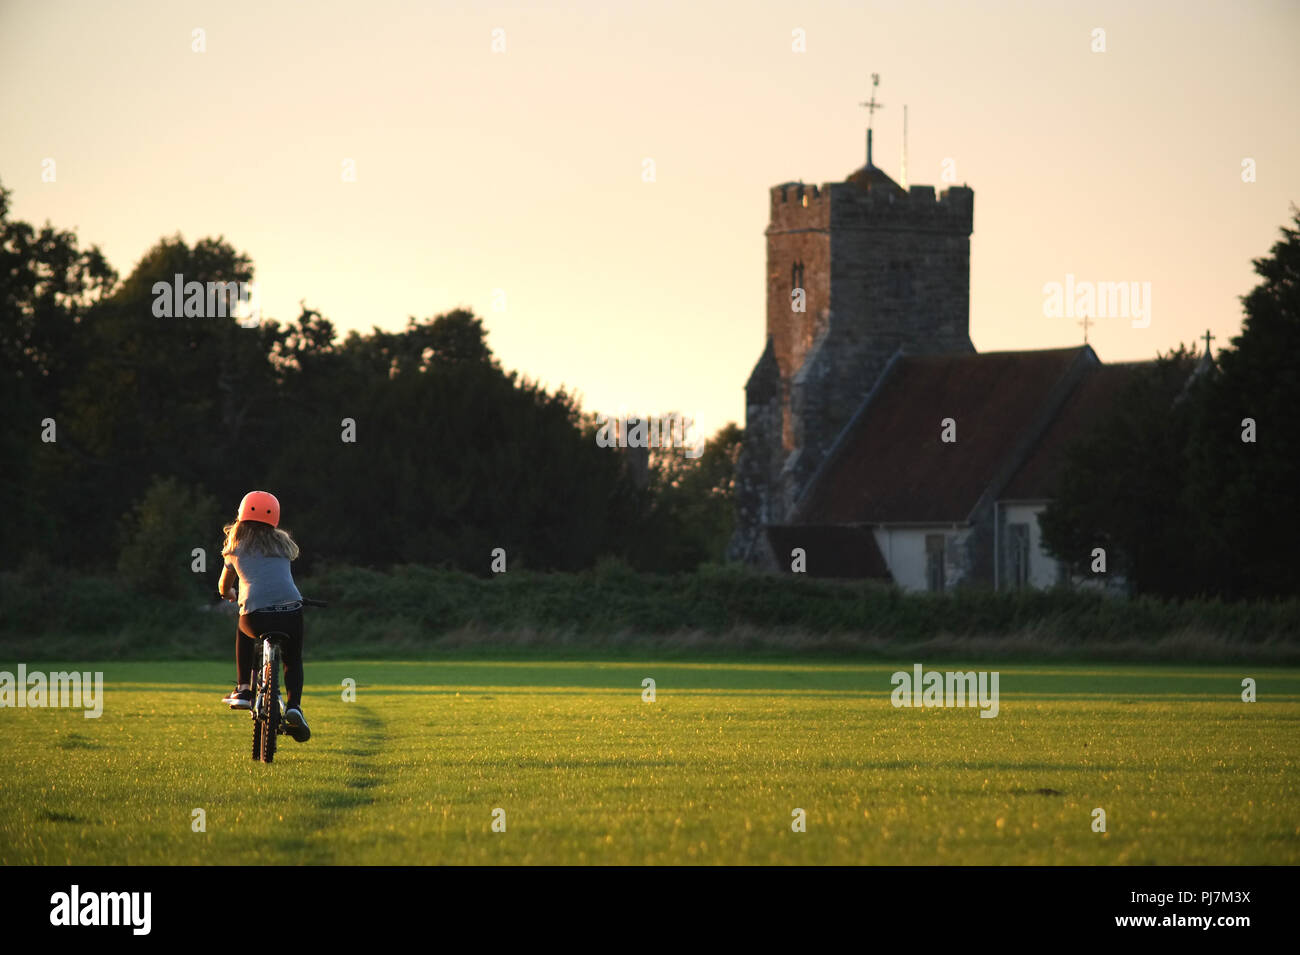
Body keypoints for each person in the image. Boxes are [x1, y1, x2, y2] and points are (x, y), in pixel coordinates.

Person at [217, 490, 310, 743]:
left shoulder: (235, 546)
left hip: (256, 616)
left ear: (241, 514)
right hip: (291, 611)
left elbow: (223, 587)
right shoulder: (282, 544)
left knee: (243, 625)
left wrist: (230, 593)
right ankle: (294, 706)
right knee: (293, 658)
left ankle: (244, 690)